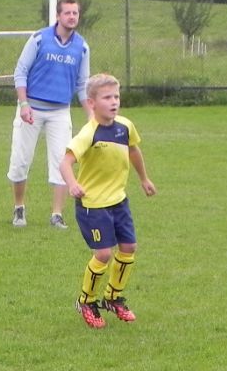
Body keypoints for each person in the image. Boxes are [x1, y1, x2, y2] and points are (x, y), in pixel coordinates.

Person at [60, 73, 156, 329]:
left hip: (118, 201)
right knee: (103, 253)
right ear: (92, 103)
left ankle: (113, 297)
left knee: (129, 247)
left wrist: (144, 179)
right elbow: (65, 162)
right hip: (92, 205)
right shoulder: (88, 133)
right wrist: (72, 184)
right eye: (107, 97)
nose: (114, 102)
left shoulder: (125, 126)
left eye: (116, 96)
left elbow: (133, 150)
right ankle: (86, 301)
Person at [8, 0, 91, 230]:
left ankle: (57, 214)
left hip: (60, 112)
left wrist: (91, 116)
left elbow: (83, 84)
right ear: (58, 15)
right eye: (67, 13)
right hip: (31, 109)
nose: (72, 17)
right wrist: (24, 104)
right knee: (20, 161)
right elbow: (20, 72)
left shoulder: (82, 47)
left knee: (61, 163)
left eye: (75, 13)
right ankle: (19, 207)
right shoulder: (39, 39)